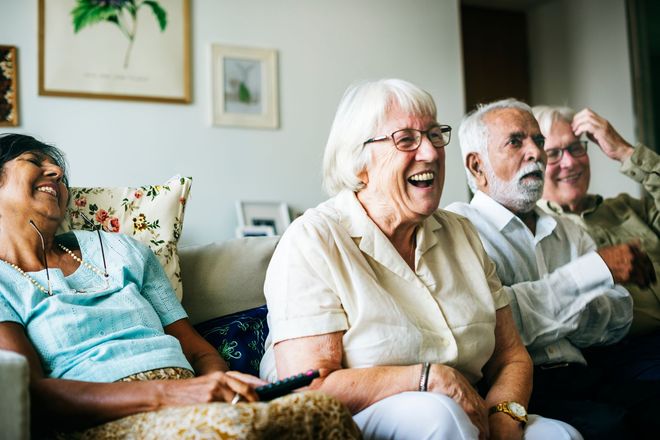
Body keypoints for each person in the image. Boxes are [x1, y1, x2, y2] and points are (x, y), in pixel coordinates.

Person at [259, 79, 580, 440]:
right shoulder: (314, 239)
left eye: (434, 135)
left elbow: (511, 357)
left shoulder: (461, 233)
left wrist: (505, 414)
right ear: (359, 161)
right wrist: (427, 378)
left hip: (469, 411)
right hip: (362, 420)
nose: (430, 152)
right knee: (438, 414)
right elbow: (308, 388)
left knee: (560, 435)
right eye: (407, 140)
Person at [0, 133, 360, 439]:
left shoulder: (121, 249)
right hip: (105, 417)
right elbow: (30, 394)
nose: (58, 173)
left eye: (60, 172)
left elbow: (199, 352)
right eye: (35, 161)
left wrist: (219, 388)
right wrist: (171, 395)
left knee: (323, 410)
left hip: (192, 397)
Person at [446, 98, 659, 439]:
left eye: (538, 140)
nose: (536, 152)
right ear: (477, 166)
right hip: (520, 388)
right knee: (610, 427)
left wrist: (547, 306)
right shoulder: (459, 228)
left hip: (585, 372)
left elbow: (617, 317)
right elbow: (496, 326)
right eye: (516, 142)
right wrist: (592, 275)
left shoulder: (568, 230)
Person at [532, 106, 660, 379]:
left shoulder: (626, 208)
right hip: (622, 358)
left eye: (576, 148)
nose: (570, 163)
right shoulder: (537, 230)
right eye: (553, 154)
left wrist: (626, 152)